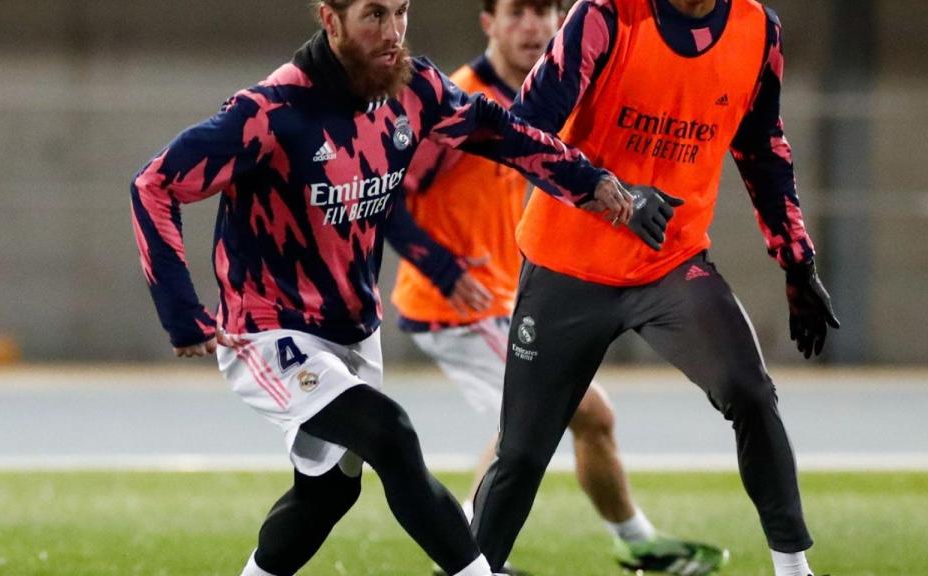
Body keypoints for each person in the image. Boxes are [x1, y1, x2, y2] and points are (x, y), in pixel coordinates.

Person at [128, 1, 635, 575]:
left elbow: (497, 130)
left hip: (352, 330)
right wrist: (181, 311)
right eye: (373, 15)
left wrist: (585, 179)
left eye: (401, 12)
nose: (393, 33)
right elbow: (154, 185)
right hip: (270, 331)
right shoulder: (270, 111)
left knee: (328, 496)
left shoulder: (412, 88)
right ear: (330, 19)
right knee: (389, 434)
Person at [466, 1, 840, 576]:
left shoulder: (757, 30)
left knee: (750, 391)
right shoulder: (605, 14)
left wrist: (796, 260)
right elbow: (522, 133)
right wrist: (604, 188)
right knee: (519, 453)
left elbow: (762, 149)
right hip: (568, 264)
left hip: (669, 263)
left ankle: (794, 570)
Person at [385, 1, 727, 574]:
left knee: (588, 419)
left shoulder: (552, 98)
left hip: (501, 299)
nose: (535, 26)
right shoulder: (461, 102)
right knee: (535, 420)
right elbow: (387, 193)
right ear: (488, 23)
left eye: (545, 10)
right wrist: (444, 269)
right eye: (517, 12)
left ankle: (636, 542)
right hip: (454, 306)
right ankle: (469, 560)